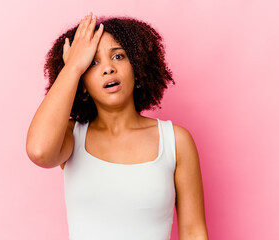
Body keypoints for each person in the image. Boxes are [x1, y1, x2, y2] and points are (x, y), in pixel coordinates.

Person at [26, 12, 208, 240]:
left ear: (138, 70)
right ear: (82, 84)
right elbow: (39, 151)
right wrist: (72, 68)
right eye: (92, 61)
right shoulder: (72, 137)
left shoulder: (175, 141)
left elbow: (194, 232)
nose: (108, 68)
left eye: (119, 57)